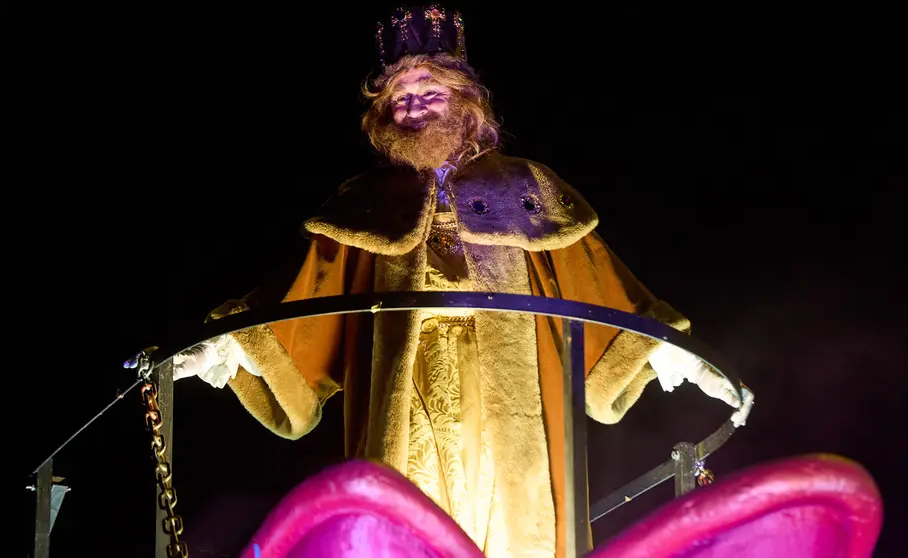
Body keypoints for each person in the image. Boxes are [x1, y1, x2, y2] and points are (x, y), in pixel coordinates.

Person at [173, 5, 753, 557]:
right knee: (406, 511)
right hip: (408, 394)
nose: (415, 106)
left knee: (509, 515)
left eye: (430, 92)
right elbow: (307, 291)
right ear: (384, 115)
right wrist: (232, 339)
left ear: (466, 104)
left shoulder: (525, 186)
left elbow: (599, 282)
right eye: (401, 98)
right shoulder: (367, 203)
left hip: (506, 395)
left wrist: (668, 347)